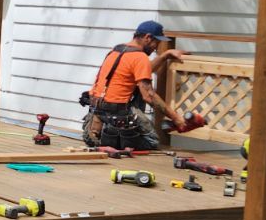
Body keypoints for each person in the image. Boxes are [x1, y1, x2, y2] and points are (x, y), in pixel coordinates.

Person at [81, 20, 190, 150]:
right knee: (152, 141)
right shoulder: (140, 57)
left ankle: (103, 136)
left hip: (96, 113)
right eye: (157, 42)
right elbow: (149, 96)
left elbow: (142, 70)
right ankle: (115, 140)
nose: (156, 47)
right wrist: (176, 118)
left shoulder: (117, 50)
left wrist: (165, 55)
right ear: (148, 38)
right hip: (118, 112)